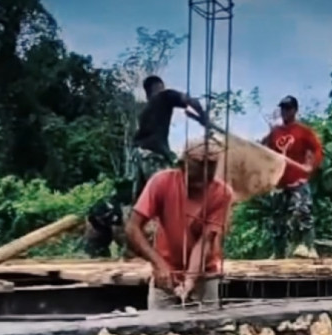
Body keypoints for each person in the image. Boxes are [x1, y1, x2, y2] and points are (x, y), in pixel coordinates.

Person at [83, 76, 206, 258]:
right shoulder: (164, 96)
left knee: (139, 203)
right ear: (159, 86)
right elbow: (190, 101)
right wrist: (203, 117)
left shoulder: (146, 110)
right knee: (170, 197)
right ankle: (176, 246)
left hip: (137, 155)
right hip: (153, 155)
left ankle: (132, 246)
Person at [125, 136, 234, 310]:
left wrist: (190, 279)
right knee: (158, 325)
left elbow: (205, 242)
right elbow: (133, 227)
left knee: (208, 326)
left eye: (207, 177)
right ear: (182, 165)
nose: (201, 184)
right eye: (196, 177)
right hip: (165, 272)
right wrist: (158, 264)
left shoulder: (222, 193)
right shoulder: (161, 183)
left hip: (205, 275)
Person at [261, 96, 324, 259]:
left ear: (295, 110)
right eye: (283, 108)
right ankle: (278, 252)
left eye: (288, 109)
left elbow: (317, 149)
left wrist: (310, 166)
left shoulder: (303, 131)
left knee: (303, 211)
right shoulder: (275, 133)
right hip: (280, 181)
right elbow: (266, 151)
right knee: (277, 217)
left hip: (298, 179)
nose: (284, 112)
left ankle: (308, 246)